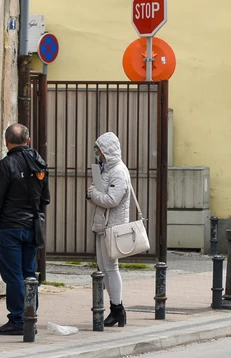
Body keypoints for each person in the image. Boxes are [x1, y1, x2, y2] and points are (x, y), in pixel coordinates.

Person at [0, 124, 50, 335]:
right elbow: (45, 199)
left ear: (7, 142)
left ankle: (17, 320)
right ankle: (29, 316)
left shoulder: (6, 164)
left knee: (13, 276)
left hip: (9, 227)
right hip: (31, 226)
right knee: (29, 274)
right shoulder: (39, 163)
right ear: (28, 141)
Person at [87, 132, 132, 327]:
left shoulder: (119, 172)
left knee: (111, 268)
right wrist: (95, 193)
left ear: (107, 151)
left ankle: (117, 309)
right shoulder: (106, 170)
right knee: (103, 267)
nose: (97, 153)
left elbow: (112, 200)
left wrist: (93, 193)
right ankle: (116, 308)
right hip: (102, 225)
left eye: (99, 150)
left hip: (112, 226)